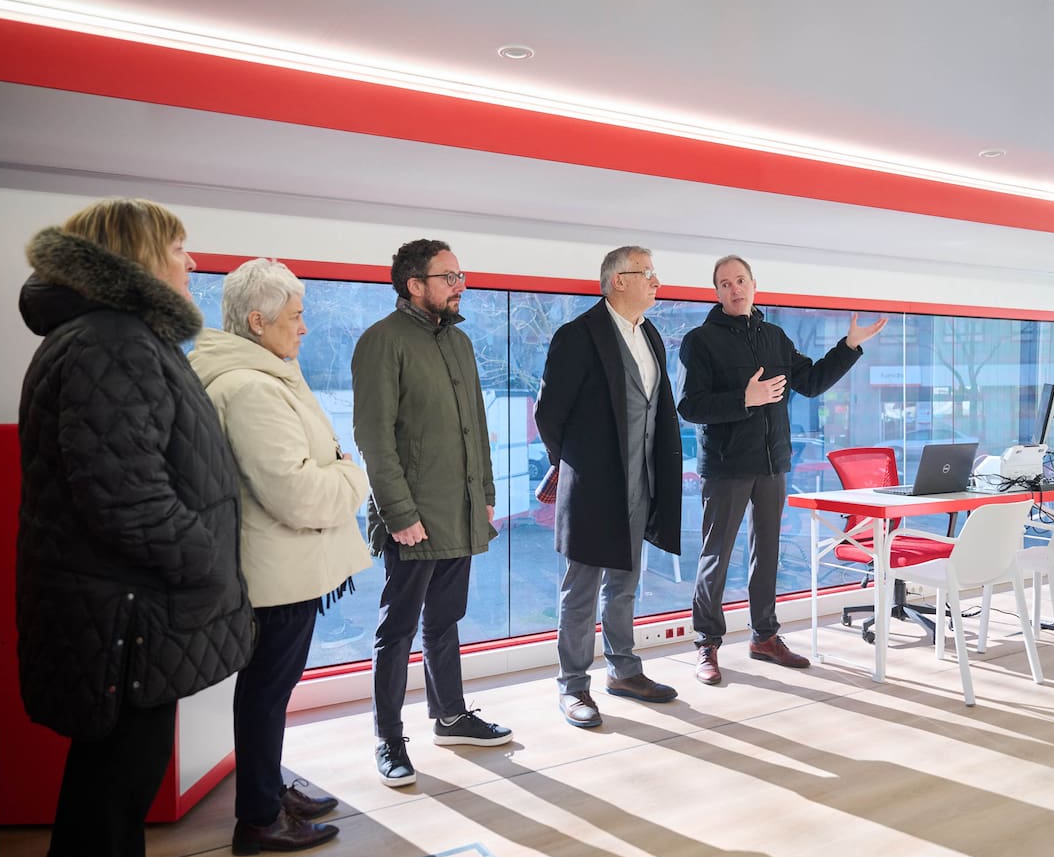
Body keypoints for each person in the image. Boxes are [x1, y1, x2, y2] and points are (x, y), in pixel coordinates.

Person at [16, 198, 255, 857]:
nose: (191, 262)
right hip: (129, 618)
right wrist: (208, 561)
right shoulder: (113, 342)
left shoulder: (111, 336)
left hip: (126, 612)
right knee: (110, 800)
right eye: (178, 248)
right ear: (139, 255)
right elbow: (124, 496)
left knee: (109, 795)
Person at [189, 258, 372, 854]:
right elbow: (297, 493)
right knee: (267, 693)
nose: (304, 327)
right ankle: (260, 817)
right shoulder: (251, 389)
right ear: (257, 320)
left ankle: (266, 793)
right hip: (277, 572)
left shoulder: (261, 376)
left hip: (281, 566)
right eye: (295, 315)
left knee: (267, 690)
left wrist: (335, 466)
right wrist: (353, 477)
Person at [677, 254, 887, 684]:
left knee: (767, 554)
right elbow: (690, 406)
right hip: (726, 466)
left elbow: (810, 383)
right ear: (716, 292)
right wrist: (744, 399)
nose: (734, 289)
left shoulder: (775, 337)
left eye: (740, 280)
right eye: (725, 283)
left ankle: (765, 637)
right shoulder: (700, 341)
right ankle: (707, 644)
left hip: (773, 463)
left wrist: (848, 347)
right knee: (716, 557)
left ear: (754, 285)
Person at [351, 238, 512, 787]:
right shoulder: (382, 341)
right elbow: (374, 439)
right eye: (448, 277)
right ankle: (389, 739)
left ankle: (451, 717)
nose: (459, 285)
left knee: (445, 620)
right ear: (414, 284)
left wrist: (485, 492)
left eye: (459, 275)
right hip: (413, 519)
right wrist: (397, 512)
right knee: (396, 630)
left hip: (459, 510)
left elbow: (477, 429)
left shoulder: (459, 342)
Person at [534, 246, 683, 728]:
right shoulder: (577, 335)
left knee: (625, 584)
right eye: (648, 273)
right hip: (593, 484)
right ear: (619, 280)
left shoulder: (651, 334)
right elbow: (548, 414)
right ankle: (573, 685)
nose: (656, 282)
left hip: (644, 479)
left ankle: (624, 671)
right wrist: (578, 464)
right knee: (581, 589)